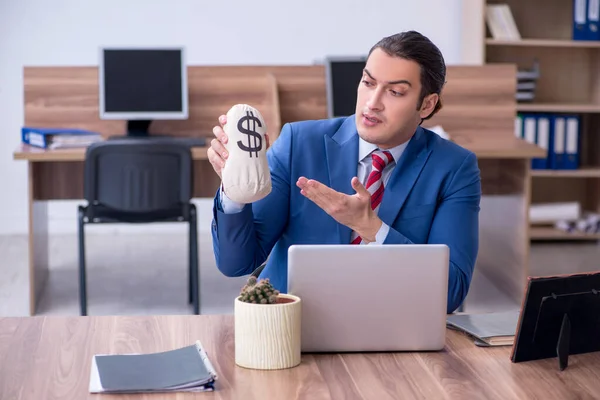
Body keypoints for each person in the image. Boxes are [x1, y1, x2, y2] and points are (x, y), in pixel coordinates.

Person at [208, 31, 481, 313]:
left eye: (395, 92)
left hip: (389, 322)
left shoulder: (454, 168)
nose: (372, 102)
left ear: (426, 104)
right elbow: (236, 263)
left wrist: (372, 229)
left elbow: (451, 292)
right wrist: (234, 193)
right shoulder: (298, 143)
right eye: (368, 82)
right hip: (293, 325)